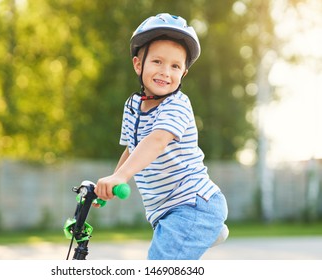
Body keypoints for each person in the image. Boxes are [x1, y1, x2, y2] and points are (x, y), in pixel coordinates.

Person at [95, 13, 228, 260]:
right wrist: (114, 180)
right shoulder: (132, 106)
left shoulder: (177, 105)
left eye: (175, 66)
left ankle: (205, 226)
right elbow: (132, 149)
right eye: (157, 61)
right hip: (164, 211)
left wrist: (120, 176)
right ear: (138, 64)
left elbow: (156, 141)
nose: (165, 72)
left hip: (192, 203)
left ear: (184, 73)